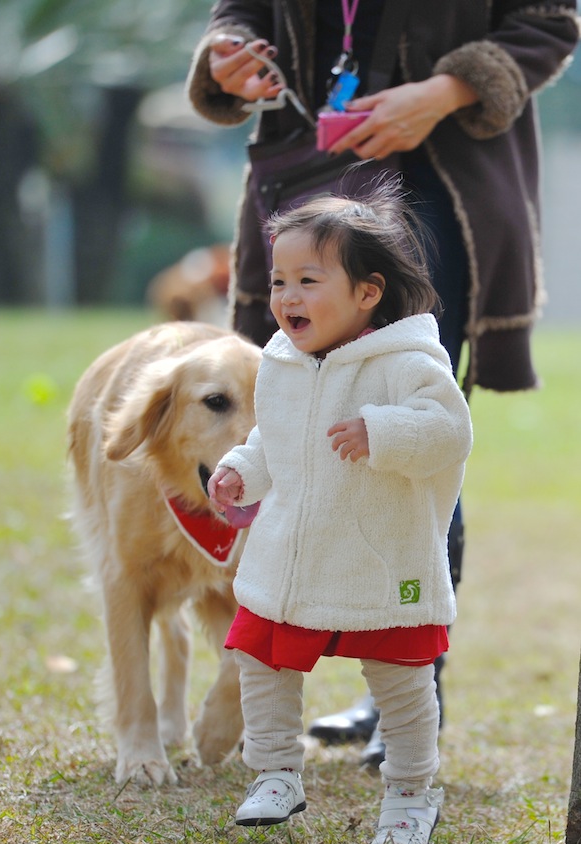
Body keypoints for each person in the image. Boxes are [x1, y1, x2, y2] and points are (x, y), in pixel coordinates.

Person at [187, 1, 579, 766]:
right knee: (290, 421)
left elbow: (548, 19)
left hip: (438, 191)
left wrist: (444, 92)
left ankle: (405, 693)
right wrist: (228, 54)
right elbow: (239, 11)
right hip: (305, 175)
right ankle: (276, 682)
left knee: (406, 434)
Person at [207, 188, 473, 844]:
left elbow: (449, 431)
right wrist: (243, 469)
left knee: (401, 684)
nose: (287, 296)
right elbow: (276, 439)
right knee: (261, 661)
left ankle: (410, 794)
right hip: (292, 558)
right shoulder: (282, 361)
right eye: (279, 281)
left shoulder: (408, 361)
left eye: (308, 280)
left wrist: (382, 430)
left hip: (378, 558)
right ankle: (275, 772)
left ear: (367, 293)